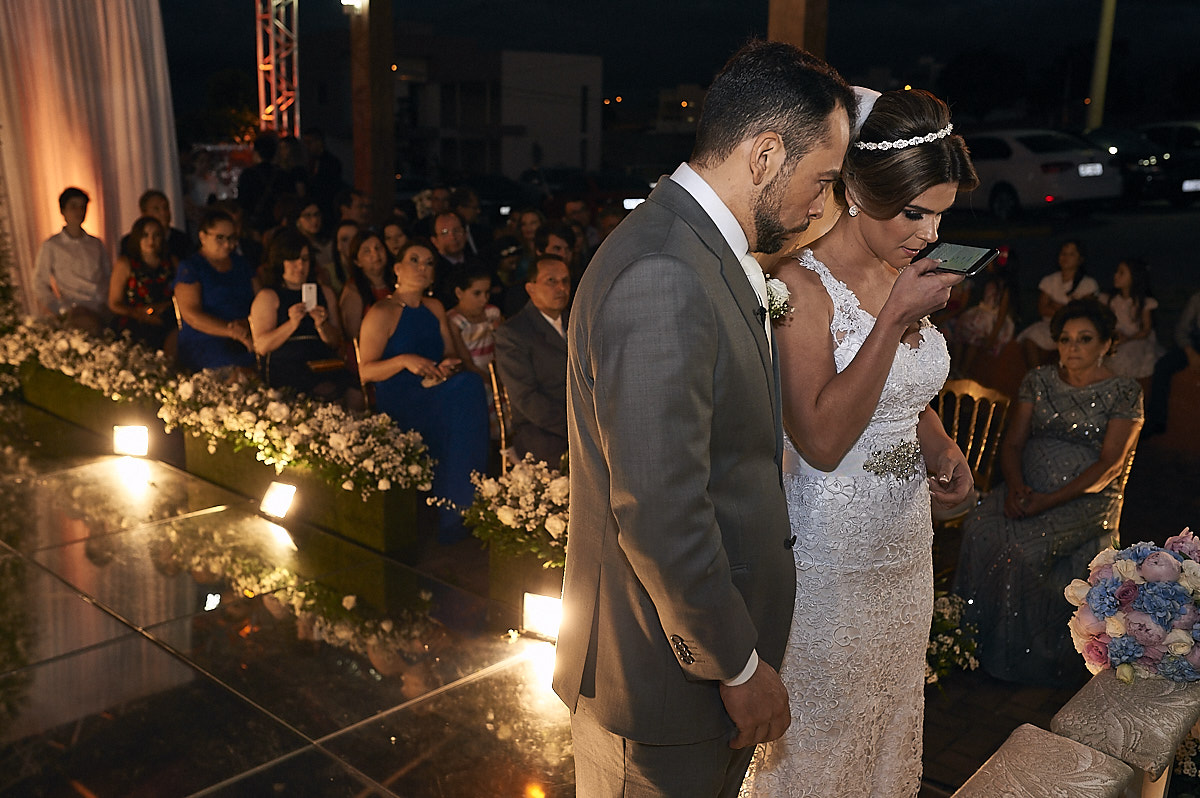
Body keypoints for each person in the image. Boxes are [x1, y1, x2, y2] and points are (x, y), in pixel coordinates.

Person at [552, 40, 855, 797]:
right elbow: (660, 511)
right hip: (663, 682)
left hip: (681, 677)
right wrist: (738, 665)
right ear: (764, 155)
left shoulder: (701, 251)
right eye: (820, 180)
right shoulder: (664, 273)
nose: (822, 204)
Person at [742, 87, 976, 798]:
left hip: (903, 551)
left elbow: (905, 396)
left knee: (888, 719)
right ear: (853, 189)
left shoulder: (909, 272)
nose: (930, 234)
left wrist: (940, 449)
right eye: (915, 213)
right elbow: (819, 435)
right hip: (827, 559)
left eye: (941, 215)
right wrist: (893, 317)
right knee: (821, 737)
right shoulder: (794, 287)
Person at [955, 298, 1143, 687]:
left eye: (1085, 339)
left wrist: (1047, 501)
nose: (1072, 348)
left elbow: (1109, 464)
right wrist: (1016, 487)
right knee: (979, 528)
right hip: (1027, 486)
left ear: (1108, 343)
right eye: (1064, 339)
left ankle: (1022, 660)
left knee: (1027, 549)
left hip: (1088, 498)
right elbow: (1013, 443)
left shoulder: (1124, 392)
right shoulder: (1038, 380)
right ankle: (966, 642)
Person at [357, 239, 489, 545]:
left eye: (429, 263)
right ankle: (455, 509)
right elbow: (365, 372)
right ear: (397, 269)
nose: (422, 267)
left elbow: (450, 356)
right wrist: (404, 360)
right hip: (402, 398)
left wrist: (446, 367)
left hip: (436, 390)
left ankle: (461, 505)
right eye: (414, 260)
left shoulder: (434, 307)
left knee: (468, 386)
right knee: (466, 392)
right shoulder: (382, 311)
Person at [248, 229, 349, 399]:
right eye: (293, 259)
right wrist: (291, 324)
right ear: (281, 261)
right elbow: (262, 346)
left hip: (321, 362)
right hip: (286, 365)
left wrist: (321, 325)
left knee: (350, 391)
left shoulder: (324, 292)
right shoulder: (269, 297)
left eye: (305, 259)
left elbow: (336, 341)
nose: (300, 266)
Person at [493, 255, 571, 466]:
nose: (561, 288)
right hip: (543, 429)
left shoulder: (578, 322)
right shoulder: (513, 333)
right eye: (551, 281)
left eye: (565, 281)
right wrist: (574, 426)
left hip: (586, 423)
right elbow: (526, 397)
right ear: (531, 288)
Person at [174, 208, 257, 372]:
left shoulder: (241, 264)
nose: (227, 245)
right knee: (235, 370)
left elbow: (260, 298)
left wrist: (248, 325)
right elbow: (191, 315)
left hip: (247, 332)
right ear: (202, 236)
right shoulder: (192, 268)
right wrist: (230, 331)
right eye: (220, 238)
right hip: (207, 338)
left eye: (231, 238)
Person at [33, 186, 111, 333]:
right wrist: (59, 308)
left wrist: (105, 302)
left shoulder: (96, 244)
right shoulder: (52, 245)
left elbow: (108, 276)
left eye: (82, 207)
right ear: (63, 211)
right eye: (73, 207)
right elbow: (39, 282)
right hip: (73, 309)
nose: (79, 211)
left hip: (99, 307)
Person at [1016, 239, 1099, 368]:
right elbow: (1043, 309)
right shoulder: (1049, 281)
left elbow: (1083, 311)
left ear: (1080, 259)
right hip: (1050, 324)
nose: (1066, 258)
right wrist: (1066, 309)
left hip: (1075, 328)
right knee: (1030, 340)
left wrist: (1056, 306)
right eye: (1063, 253)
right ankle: (1037, 377)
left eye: (1071, 254)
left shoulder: (1088, 284)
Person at [108, 215, 177, 351]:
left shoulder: (172, 262)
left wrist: (163, 307)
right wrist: (139, 313)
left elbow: (182, 294)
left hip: (166, 317)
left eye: (156, 235)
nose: (151, 240)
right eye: (145, 235)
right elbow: (114, 303)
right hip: (134, 320)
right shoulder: (125, 264)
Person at [1146, 289, 1200, 435]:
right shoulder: (1197, 299)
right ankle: (1157, 421)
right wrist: (1190, 352)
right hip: (1196, 343)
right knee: (1162, 367)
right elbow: (1181, 330)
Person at [1103, 257, 1160, 380]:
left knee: (1125, 357)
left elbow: (1146, 329)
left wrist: (1128, 338)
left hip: (1135, 339)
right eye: (1117, 272)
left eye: (1121, 273)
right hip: (1117, 337)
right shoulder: (1111, 300)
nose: (1116, 275)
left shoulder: (1144, 303)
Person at [338, 230, 392, 343]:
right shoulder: (353, 290)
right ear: (357, 261)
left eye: (378, 248)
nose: (375, 254)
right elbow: (352, 334)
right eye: (367, 251)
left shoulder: (397, 282)